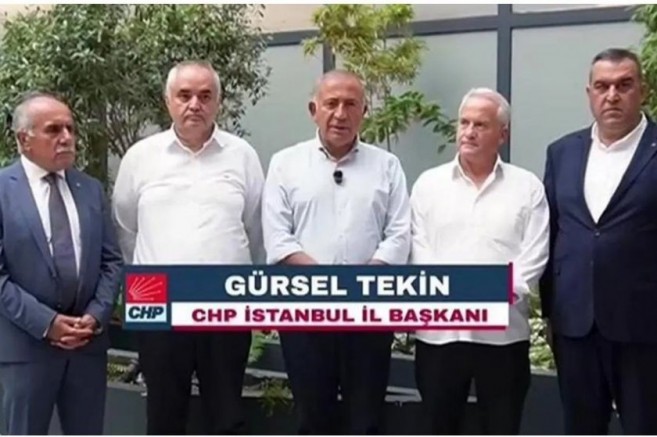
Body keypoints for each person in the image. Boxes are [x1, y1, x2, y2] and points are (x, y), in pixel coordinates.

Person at [112, 60, 264, 435]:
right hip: (155, 294)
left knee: (226, 412)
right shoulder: (140, 157)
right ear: (168, 101)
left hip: (225, 296)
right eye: (184, 95)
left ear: (218, 102)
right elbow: (125, 228)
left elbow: (256, 228)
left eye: (205, 95)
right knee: (164, 412)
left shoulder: (242, 155)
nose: (195, 104)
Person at [262, 69, 411, 434]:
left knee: (367, 418)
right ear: (314, 110)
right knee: (313, 417)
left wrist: (361, 283)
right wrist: (329, 284)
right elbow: (278, 239)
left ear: (364, 111)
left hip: (369, 313)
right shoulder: (285, 164)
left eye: (350, 104)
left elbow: (399, 234)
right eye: (331, 104)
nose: (340, 114)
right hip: (305, 314)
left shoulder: (387, 166)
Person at [410, 88, 549, 434]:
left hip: (503, 337)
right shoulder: (428, 184)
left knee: (502, 426)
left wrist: (492, 294)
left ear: (502, 134)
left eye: (481, 125)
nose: (469, 132)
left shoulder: (527, 187)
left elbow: (534, 255)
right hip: (439, 335)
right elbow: (418, 248)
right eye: (464, 122)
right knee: (438, 426)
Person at [540, 48, 657, 434]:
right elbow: (552, 233)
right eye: (603, 86)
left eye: (624, 85)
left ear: (642, 90)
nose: (612, 95)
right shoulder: (562, 153)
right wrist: (550, 313)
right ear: (589, 93)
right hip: (575, 324)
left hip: (643, 325)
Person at [0, 92, 123, 435]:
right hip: (26, 348)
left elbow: (111, 261)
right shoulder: (3, 190)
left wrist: (95, 316)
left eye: (70, 128)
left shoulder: (90, 189)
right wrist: (47, 323)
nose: (67, 137)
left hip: (87, 348)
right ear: (24, 139)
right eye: (54, 130)